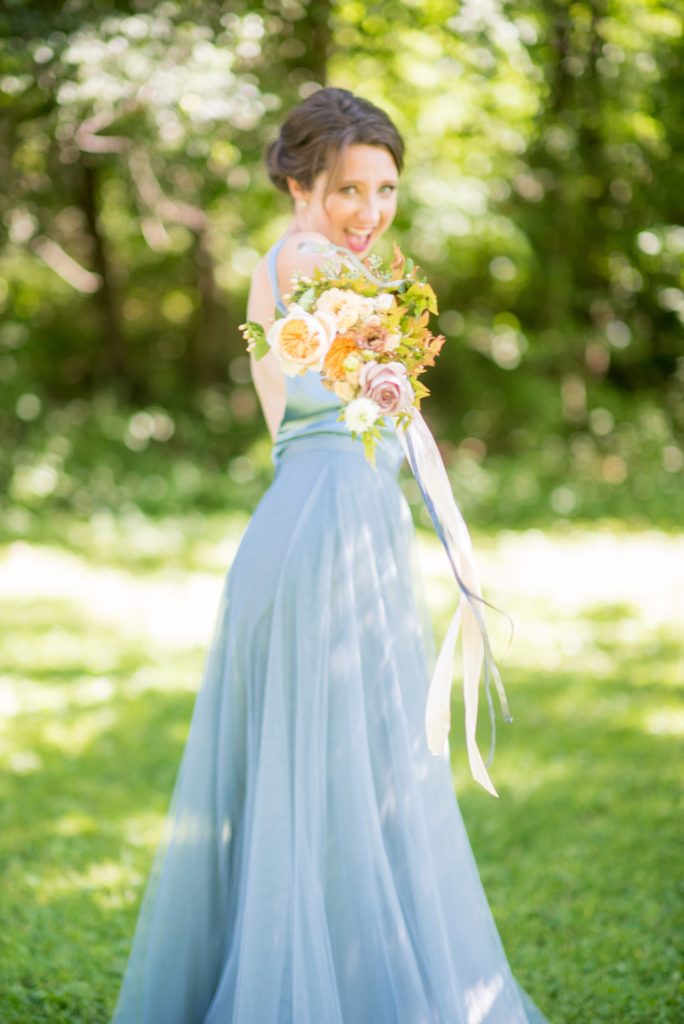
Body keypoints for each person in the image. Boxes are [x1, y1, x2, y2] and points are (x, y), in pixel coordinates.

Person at [110, 87, 550, 1023]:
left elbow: (316, 420)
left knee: (337, 771)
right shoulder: (309, 257)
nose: (370, 212)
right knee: (346, 767)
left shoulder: (285, 268)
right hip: (325, 538)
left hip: (321, 523)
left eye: (385, 189)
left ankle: (324, 971)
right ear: (300, 182)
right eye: (350, 189)